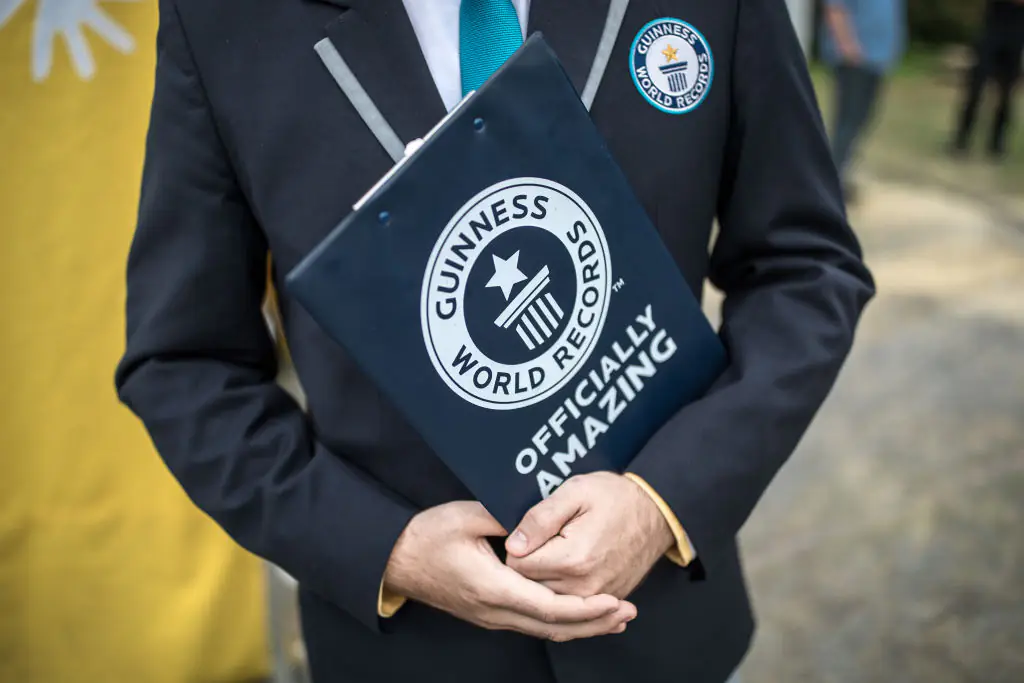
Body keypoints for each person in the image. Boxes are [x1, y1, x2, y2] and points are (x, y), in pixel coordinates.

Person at [115, 1, 874, 682]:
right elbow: (183, 362)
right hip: (404, 656)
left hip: (663, 638)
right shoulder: (224, 21)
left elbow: (805, 268)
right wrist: (385, 548)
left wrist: (664, 498)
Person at [820, 0, 906, 198]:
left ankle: (842, 171)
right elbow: (835, 8)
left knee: (863, 118)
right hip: (854, 58)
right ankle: (832, 179)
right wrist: (847, 46)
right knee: (848, 120)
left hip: (878, 58)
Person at [951, 0, 1024, 160]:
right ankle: (961, 140)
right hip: (993, 29)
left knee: (1006, 94)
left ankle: (997, 145)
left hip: (1016, 32)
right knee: (975, 87)